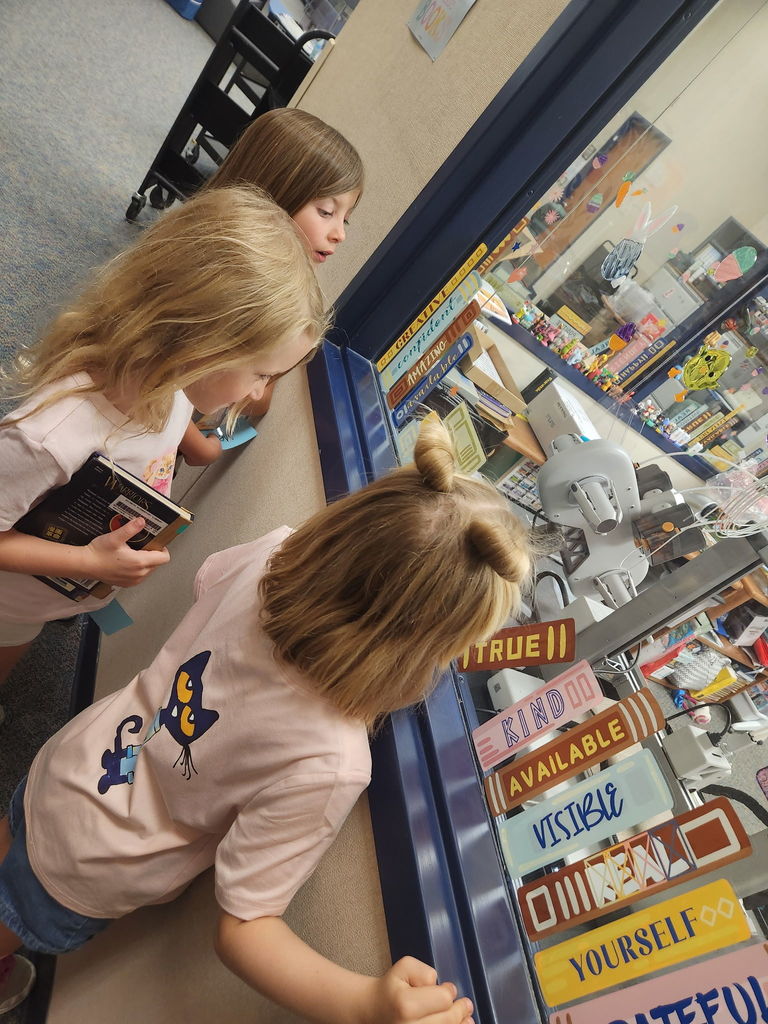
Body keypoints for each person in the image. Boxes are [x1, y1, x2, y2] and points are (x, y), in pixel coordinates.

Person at [0, 415, 532, 1021]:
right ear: (425, 646)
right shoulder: (329, 760)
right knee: (13, 907)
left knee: (14, 837)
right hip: (91, 868)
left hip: (72, 761)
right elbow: (244, 927)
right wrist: (364, 1003)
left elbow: (208, 585)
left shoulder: (275, 551)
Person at [0, 186, 328, 692]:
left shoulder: (170, 386)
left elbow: (184, 441)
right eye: (263, 373)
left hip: (60, 586)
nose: (261, 391)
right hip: (14, 596)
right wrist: (88, 563)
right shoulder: (52, 436)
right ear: (202, 345)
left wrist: (222, 439)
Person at [180, 108, 364, 466]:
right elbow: (161, 375)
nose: (339, 233)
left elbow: (258, 399)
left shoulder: (288, 290)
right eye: (326, 212)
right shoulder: (214, 275)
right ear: (273, 192)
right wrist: (195, 445)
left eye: (346, 218)